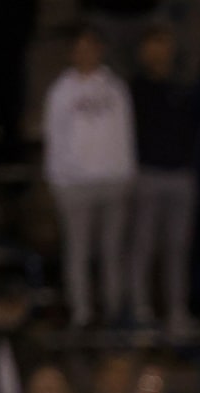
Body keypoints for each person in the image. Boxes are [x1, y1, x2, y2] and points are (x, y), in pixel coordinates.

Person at [43, 28, 134, 330]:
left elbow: (126, 133)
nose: (85, 53)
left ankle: (113, 309)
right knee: (78, 252)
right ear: (72, 52)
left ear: (99, 50)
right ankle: (82, 313)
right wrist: (58, 181)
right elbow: (54, 138)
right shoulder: (61, 91)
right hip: (75, 185)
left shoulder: (116, 88)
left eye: (90, 47)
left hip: (113, 182)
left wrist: (126, 173)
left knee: (112, 251)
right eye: (79, 47)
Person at [127, 25, 200, 334]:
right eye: (153, 44)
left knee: (177, 247)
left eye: (164, 44)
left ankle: (177, 310)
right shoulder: (133, 90)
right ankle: (139, 307)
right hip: (147, 174)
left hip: (181, 176)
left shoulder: (184, 88)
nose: (159, 51)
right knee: (143, 245)